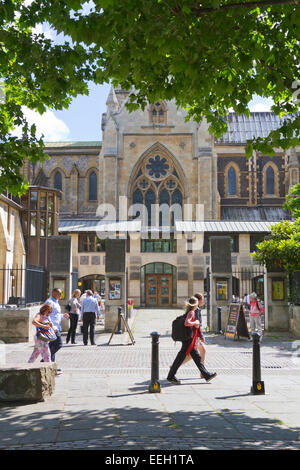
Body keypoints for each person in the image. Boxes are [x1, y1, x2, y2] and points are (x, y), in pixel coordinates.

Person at [167, 296, 217, 385]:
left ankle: (206, 375)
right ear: (195, 304)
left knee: (195, 357)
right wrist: (196, 323)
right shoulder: (191, 313)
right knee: (181, 357)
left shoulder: (188, 312)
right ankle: (171, 376)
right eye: (197, 303)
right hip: (188, 339)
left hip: (188, 339)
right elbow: (187, 323)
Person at [181, 293, 207, 377]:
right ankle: (175, 365)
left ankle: (203, 372)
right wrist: (201, 336)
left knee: (200, 351)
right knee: (194, 353)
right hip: (195, 335)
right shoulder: (196, 310)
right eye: (202, 299)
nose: (203, 301)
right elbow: (197, 323)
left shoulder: (195, 308)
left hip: (194, 334)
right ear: (199, 300)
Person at [44, 288, 69, 367]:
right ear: (54, 293)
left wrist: (63, 316)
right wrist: (51, 326)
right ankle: (44, 360)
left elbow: (56, 315)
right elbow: (45, 315)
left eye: (61, 293)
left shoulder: (56, 302)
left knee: (52, 346)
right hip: (52, 327)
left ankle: (51, 366)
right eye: (59, 293)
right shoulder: (49, 302)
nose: (61, 295)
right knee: (59, 344)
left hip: (56, 327)